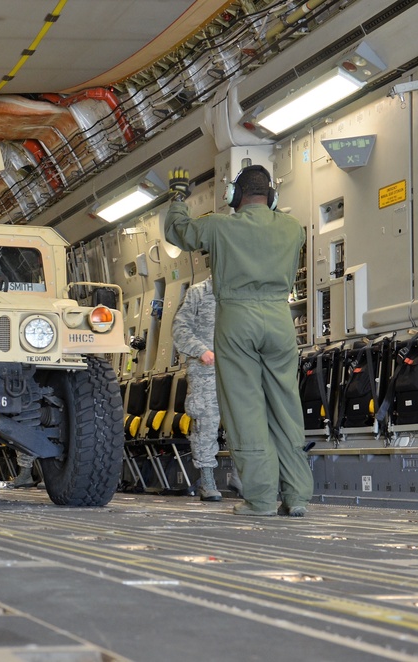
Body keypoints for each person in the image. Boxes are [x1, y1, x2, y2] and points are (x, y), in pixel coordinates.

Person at [163, 165, 312, 517]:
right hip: (280, 319)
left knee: (245, 409)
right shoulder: (294, 229)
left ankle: (260, 500)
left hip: (237, 320)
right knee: (286, 408)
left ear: (234, 197)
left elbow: (179, 232)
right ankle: (297, 497)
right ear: (272, 197)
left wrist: (178, 198)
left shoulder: (219, 225)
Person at [171, 277, 222, 501]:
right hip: (206, 368)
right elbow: (180, 327)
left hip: (236, 368)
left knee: (243, 422)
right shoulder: (198, 292)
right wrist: (200, 350)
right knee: (206, 422)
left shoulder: (238, 292)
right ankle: (207, 479)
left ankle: (243, 476)